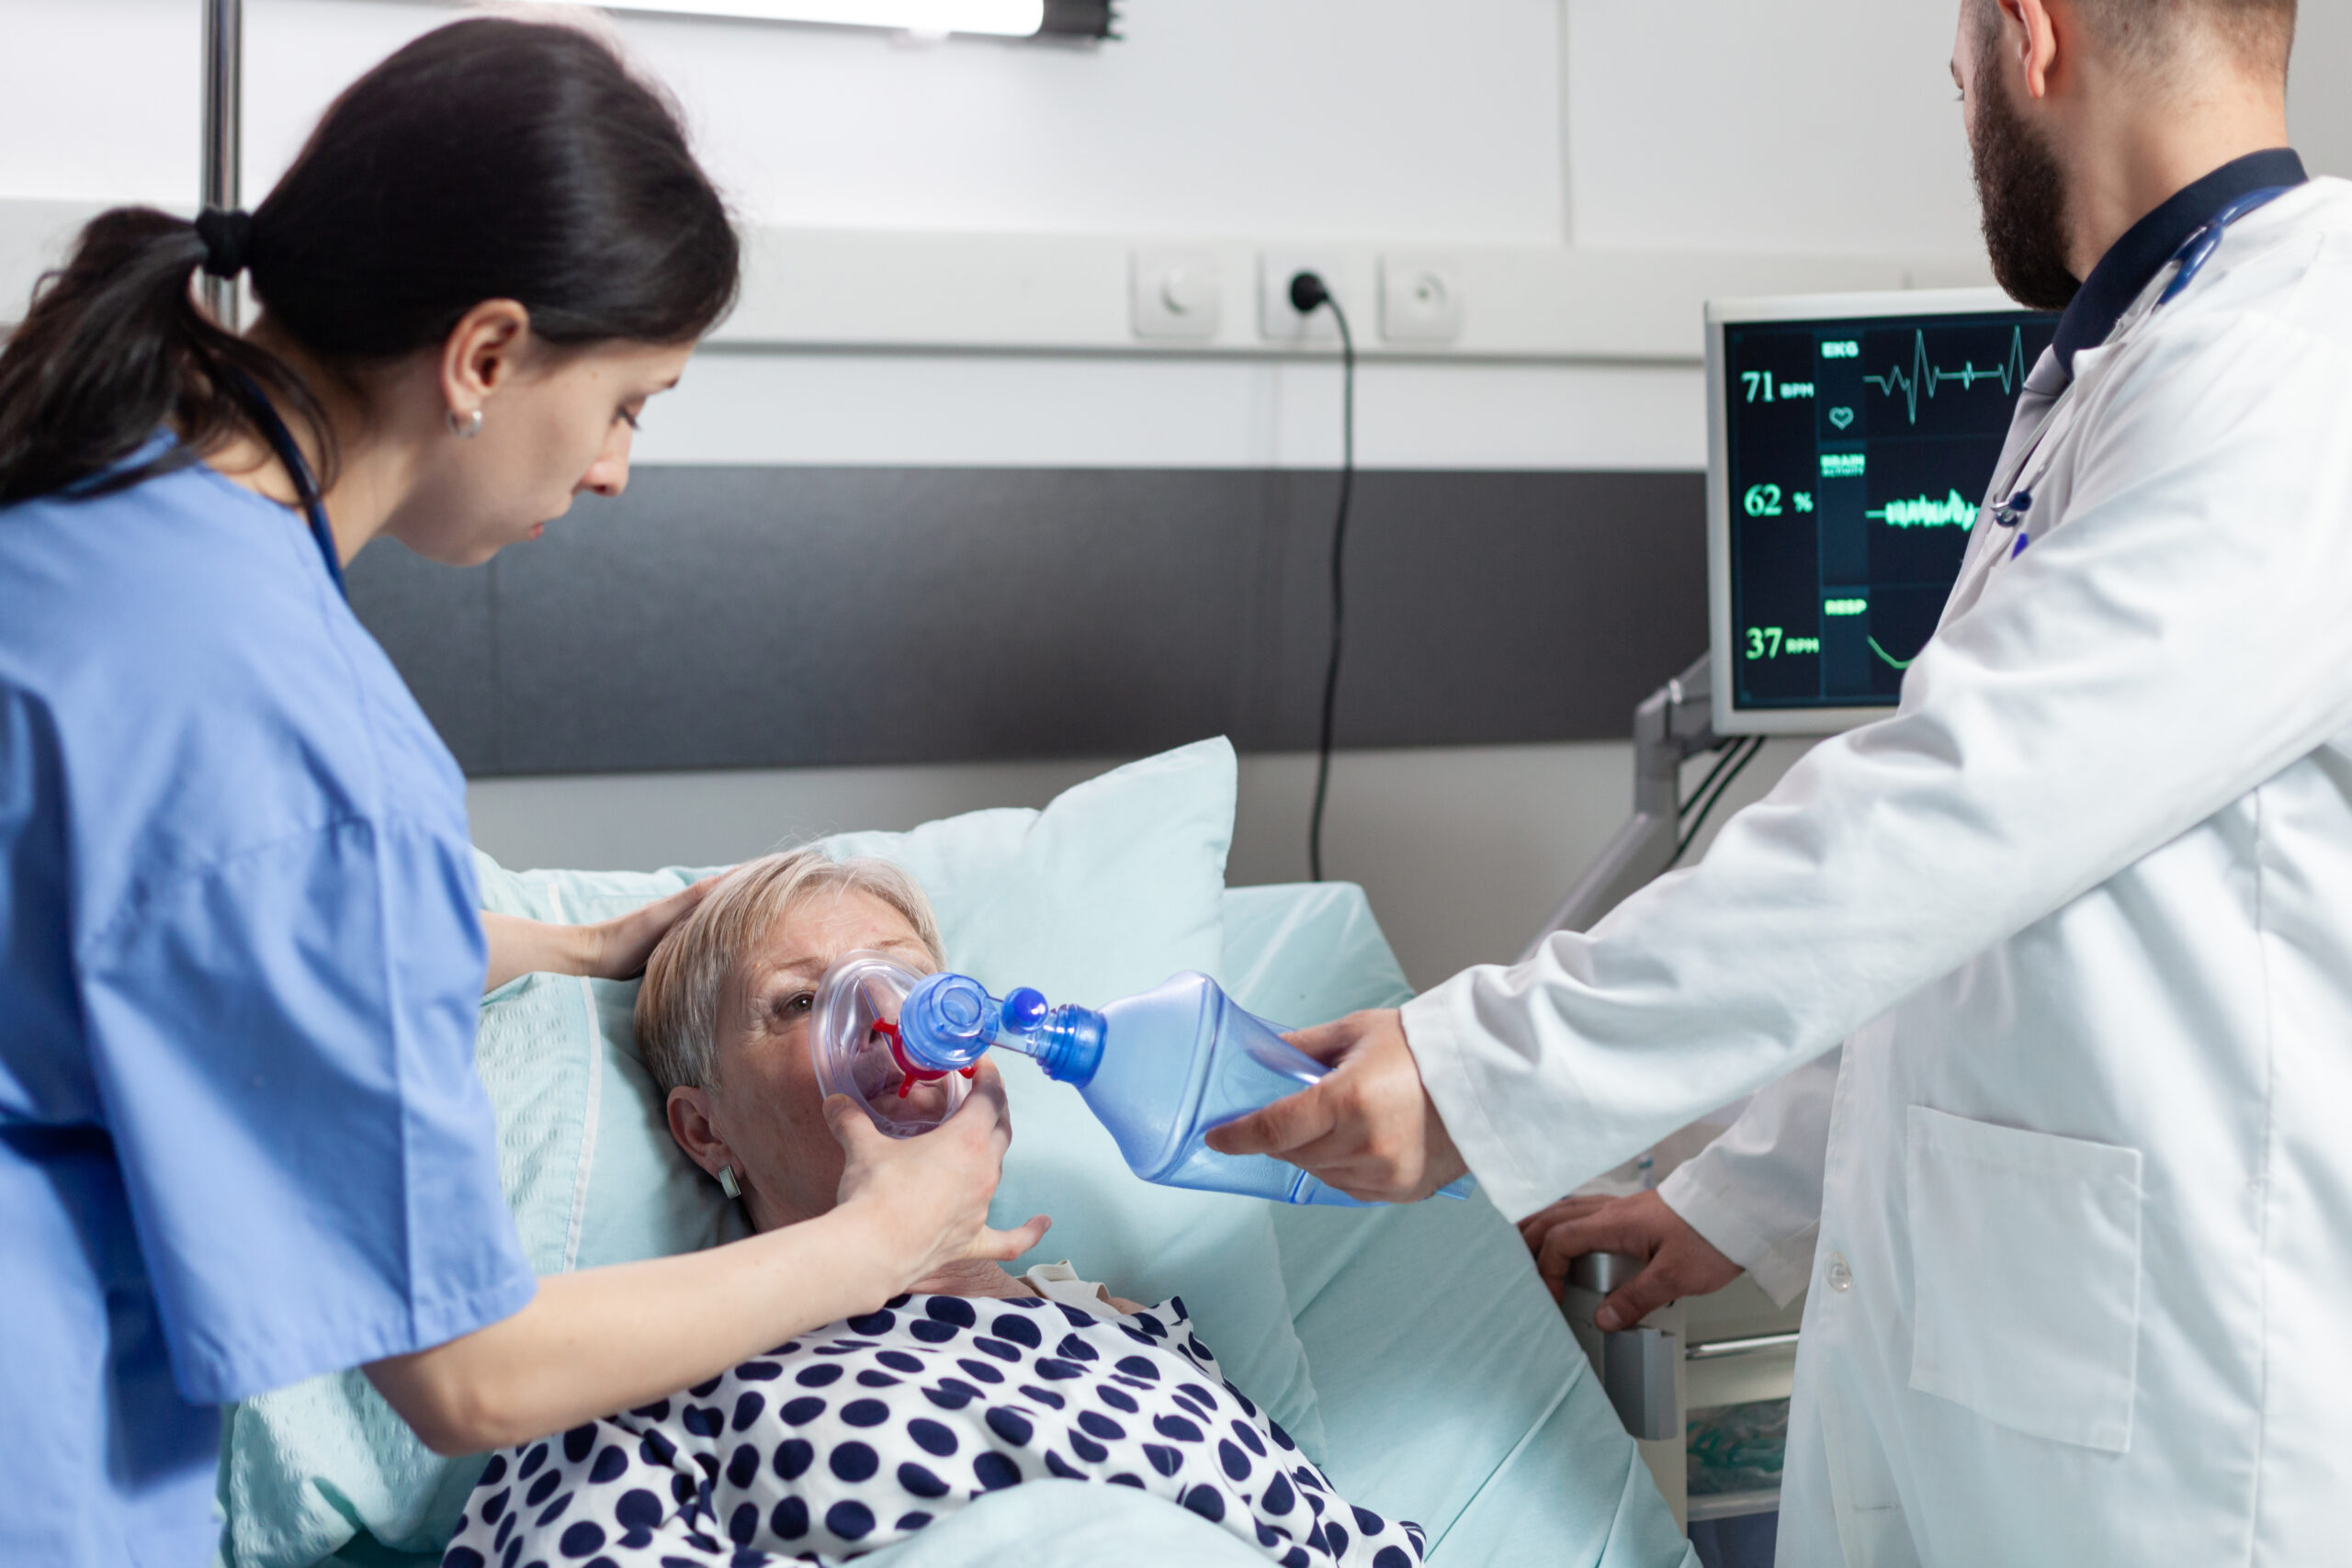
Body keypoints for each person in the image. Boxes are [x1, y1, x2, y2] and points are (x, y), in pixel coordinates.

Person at [1210, 1, 2352, 1562]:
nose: (1949, 83)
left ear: (2029, 35)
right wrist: (1734, 1192)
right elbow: (1981, 920)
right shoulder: (2129, 363)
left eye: (1953, 42)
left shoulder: (2299, 368)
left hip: (2180, 1420)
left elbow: (1951, 808)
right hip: (2009, 1359)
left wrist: (1483, 1065)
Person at [0, 21, 1040, 1567]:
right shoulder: (308, 742)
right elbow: (471, 1370)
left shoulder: (80, 505)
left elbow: (154, 921)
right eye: (630, 402)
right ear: (486, 356)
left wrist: (563, 946)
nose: (619, 467)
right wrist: (888, 1234)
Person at [435, 847, 1425, 1568]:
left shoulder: (1130, 1331)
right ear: (705, 1132)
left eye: (910, 977)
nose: (887, 1014)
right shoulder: (651, 1369)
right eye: (796, 1002)